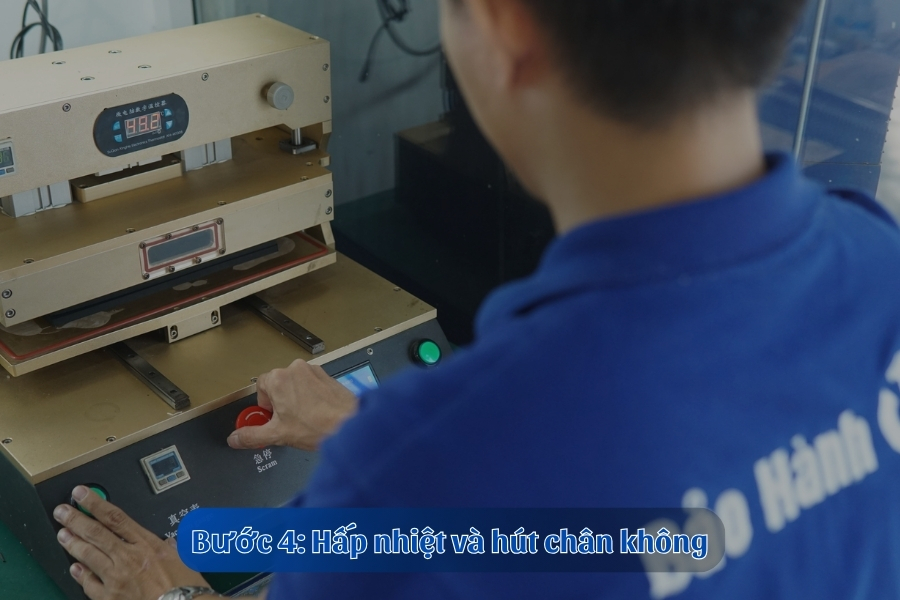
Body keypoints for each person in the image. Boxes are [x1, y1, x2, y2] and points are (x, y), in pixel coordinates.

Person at [50, 0, 900, 598]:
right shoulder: (878, 259)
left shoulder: (412, 475)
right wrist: (394, 440)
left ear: (504, 26)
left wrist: (170, 593)